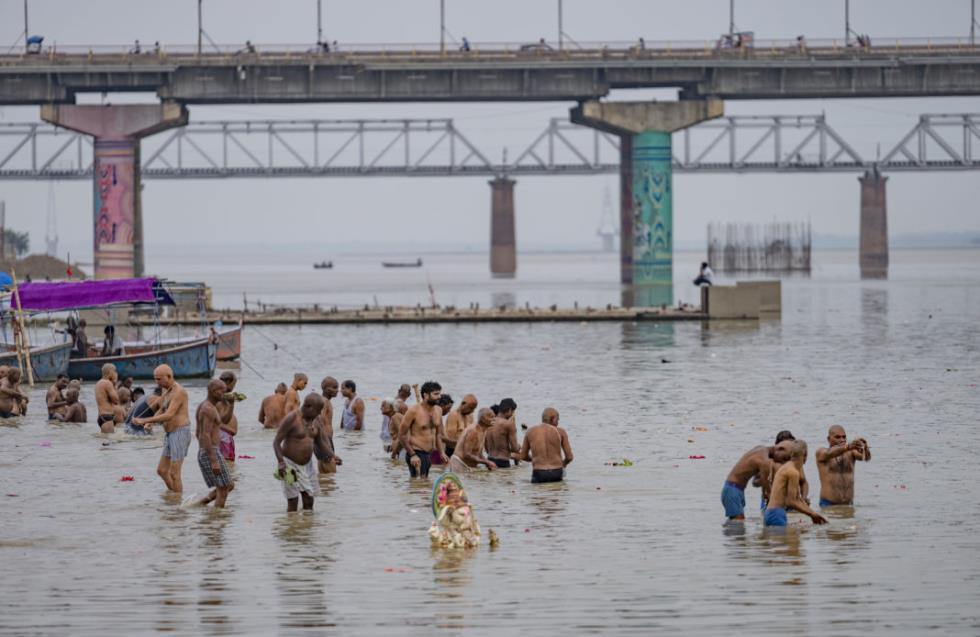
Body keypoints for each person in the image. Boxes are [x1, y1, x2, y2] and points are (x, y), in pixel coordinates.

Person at [133, 365, 191, 493]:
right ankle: (175, 497)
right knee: (162, 471)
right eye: (155, 379)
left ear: (169, 377)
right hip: (170, 433)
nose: (156, 382)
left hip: (180, 432)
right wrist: (152, 422)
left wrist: (144, 420)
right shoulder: (166, 390)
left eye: (159, 379)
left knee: (175, 474)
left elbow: (169, 414)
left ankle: (177, 504)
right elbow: (162, 409)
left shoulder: (179, 392)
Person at [273, 394, 335, 511]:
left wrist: (332, 455)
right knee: (293, 501)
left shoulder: (316, 420)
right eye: (317, 411)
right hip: (289, 464)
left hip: (307, 466)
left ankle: (306, 527)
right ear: (308, 406)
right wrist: (281, 462)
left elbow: (320, 441)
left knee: (309, 500)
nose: (319, 414)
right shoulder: (291, 419)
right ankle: (292, 527)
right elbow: (276, 442)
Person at [765, 441, 828, 527]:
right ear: (805, 454)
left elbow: (798, 499)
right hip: (776, 514)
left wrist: (813, 514)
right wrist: (812, 515)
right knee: (793, 540)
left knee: (790, 538)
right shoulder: (793, 472)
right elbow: (791, 502)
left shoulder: (787, 467)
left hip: (772, 512)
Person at [721, 443, 791, 520]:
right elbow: (768, 492)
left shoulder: (760, 448)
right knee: (738, 523)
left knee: (735, 523)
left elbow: (757, 482)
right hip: (732, 491)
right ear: (780, 449)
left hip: (735, 489)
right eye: (784, 458)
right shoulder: (764, 462)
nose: (783, 462)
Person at [196, 379, 235, 508]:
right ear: (213, 392)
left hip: (209, 450)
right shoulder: (207, 409)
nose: (224, 394)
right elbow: (205, 434)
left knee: (228, 485)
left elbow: (218, 422)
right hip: (210, 451)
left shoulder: (207, 406)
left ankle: (202, 504)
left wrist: (231, 405)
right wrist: (213, 459)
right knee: (223, 489)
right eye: (222, 391)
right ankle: (216, 522)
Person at [398, 380, 444, 478]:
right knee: (418, 486)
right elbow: (401, 434)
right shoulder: (413, 411)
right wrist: (412, 454)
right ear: (426, 395)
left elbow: (438, 434)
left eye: (440, 393)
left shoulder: (439, 410)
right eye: (436, 394)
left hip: (429, 454)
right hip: (416, 453)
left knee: (424, 484)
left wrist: (442, 453)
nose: (439, 397)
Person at [816, 425, 871, 507]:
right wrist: (848, 446)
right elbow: (829, 453)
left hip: (848, 505)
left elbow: (866, 458)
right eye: (837, 437)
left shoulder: (851, 452)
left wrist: (864, 447)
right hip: (828, 504)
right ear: (829, 439)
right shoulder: (821, 452)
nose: (842, 440)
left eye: (844, 437)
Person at [519, 407, 573, 483]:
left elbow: (523, 456)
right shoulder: (561, 432)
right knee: (556, 494)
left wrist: (535, 459)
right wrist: (563, 464)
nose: (558, 423)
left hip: (539, 473)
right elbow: (569, 457)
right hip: (556, 472)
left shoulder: (530, 431)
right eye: (557, 420)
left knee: (538, 493)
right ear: (553, 419)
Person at [449, 407, 497, 473]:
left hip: (469, 466)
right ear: (482, 419)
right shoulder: (474, 431)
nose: (494, 419)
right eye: (491, 417)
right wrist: (486, 462)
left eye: (494, 417)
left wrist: (488, 462)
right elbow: (467, 454)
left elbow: (478, 453)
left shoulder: (484, 430)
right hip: (459, 464)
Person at [485, 398, 520, 468]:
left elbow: (486, 447)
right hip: (503, 461)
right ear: (509, 410)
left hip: (489, 460)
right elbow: (514, 448)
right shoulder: (509, 424)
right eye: (513, 412)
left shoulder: (488, 422)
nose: (512, 414)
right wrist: (519, 446)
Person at [217, 371, 242, 466]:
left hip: (224, 437)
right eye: (234, 383)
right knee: (229, 468)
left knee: (226, 468)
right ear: (230, 383)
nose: (234, 386)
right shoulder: (222, 398)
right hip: (224, 438)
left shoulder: (222, 396)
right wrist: (231, 430)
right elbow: (218, 421)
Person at [317, 376, 340, 473]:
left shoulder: (324, 401)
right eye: (334, 387)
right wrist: (324, 440)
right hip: (324, 439)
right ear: (325, 388)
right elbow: (319, 418)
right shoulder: (324, 401)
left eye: (337, 388)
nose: (337, 390)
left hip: (322, 440)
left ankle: (325, 487)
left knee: (324, 474)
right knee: (331, 473)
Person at [443, 394, 476, 459]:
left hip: (466, 451)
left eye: (474, 408)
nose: (472, 411)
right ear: (463, 404)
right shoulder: (453, 415)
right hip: (452, 450)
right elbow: (450, 439)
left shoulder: (470, 415)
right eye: (470, 408)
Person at [94, 363, 121, 433]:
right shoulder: (107, 383)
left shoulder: (98, 383)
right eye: (115, 371)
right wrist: (115, 383)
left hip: (101, 416)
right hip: (107, 417)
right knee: (109, 442)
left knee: (105, 441)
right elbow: (116, 400)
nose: (116, 373)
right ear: (110, 372)